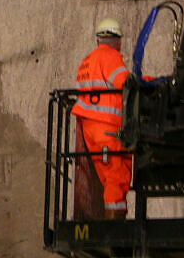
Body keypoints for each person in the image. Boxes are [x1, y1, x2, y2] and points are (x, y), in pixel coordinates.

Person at [71, 17, 133, 219]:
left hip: (90, 131)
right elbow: (125, 83)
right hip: (108, 128)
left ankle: (111, 228)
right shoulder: (110, 56)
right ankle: (115, 232)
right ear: (119, 41)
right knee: (117, 176)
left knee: (107, 176)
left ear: (98, 40)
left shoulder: (86, 61)